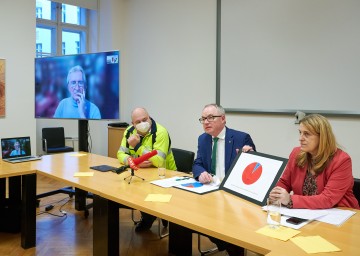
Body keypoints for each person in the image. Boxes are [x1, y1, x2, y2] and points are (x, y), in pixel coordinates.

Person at [193, 103, 256, 256]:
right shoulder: (203, 139)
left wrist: (249, 156)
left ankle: (234, 248)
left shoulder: (241, 138)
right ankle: (228, 245)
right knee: (194, 218)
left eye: (210, 118)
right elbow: (197, 163)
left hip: (233, 195)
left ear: (223, 119)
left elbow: (254, 168)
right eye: (203, 119)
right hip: (210, 193)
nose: (206, 122)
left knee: (228, 227)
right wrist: (200, 173)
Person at [269, 114, 359, 210]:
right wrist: (276, 194)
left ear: (322, 137)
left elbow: (327, 199)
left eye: (306, 134)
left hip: (339, 213)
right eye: (300, 132)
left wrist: (290, 199)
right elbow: (285, 182)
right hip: (307, 214)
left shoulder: (342, 160)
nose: (300, 138)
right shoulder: (297, 153)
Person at [117, 107, 177, 232]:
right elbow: (120, 154)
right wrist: (130, 160)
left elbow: (159, 161)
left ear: (149, 118)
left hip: (166, 176)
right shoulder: (129, 132)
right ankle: (150, 216)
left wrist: (138, 146)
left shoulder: (161, 132)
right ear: (133, 124)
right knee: (133, 190)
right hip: (143, 173)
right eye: (138, 122)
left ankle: (151, 217)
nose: (142, 123)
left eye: (145, 119)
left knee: (146, 192)